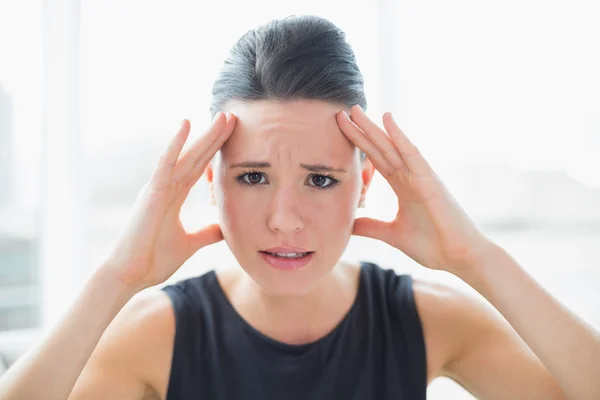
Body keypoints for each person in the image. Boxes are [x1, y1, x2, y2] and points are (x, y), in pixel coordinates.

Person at [0, 14, 598, 400]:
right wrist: (116, 279)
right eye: (254, 176)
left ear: (363, 186)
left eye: (320, 180)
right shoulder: (155, 334)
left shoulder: (429, 319)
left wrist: (479, 259)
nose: (284, 219)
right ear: (211, 182)